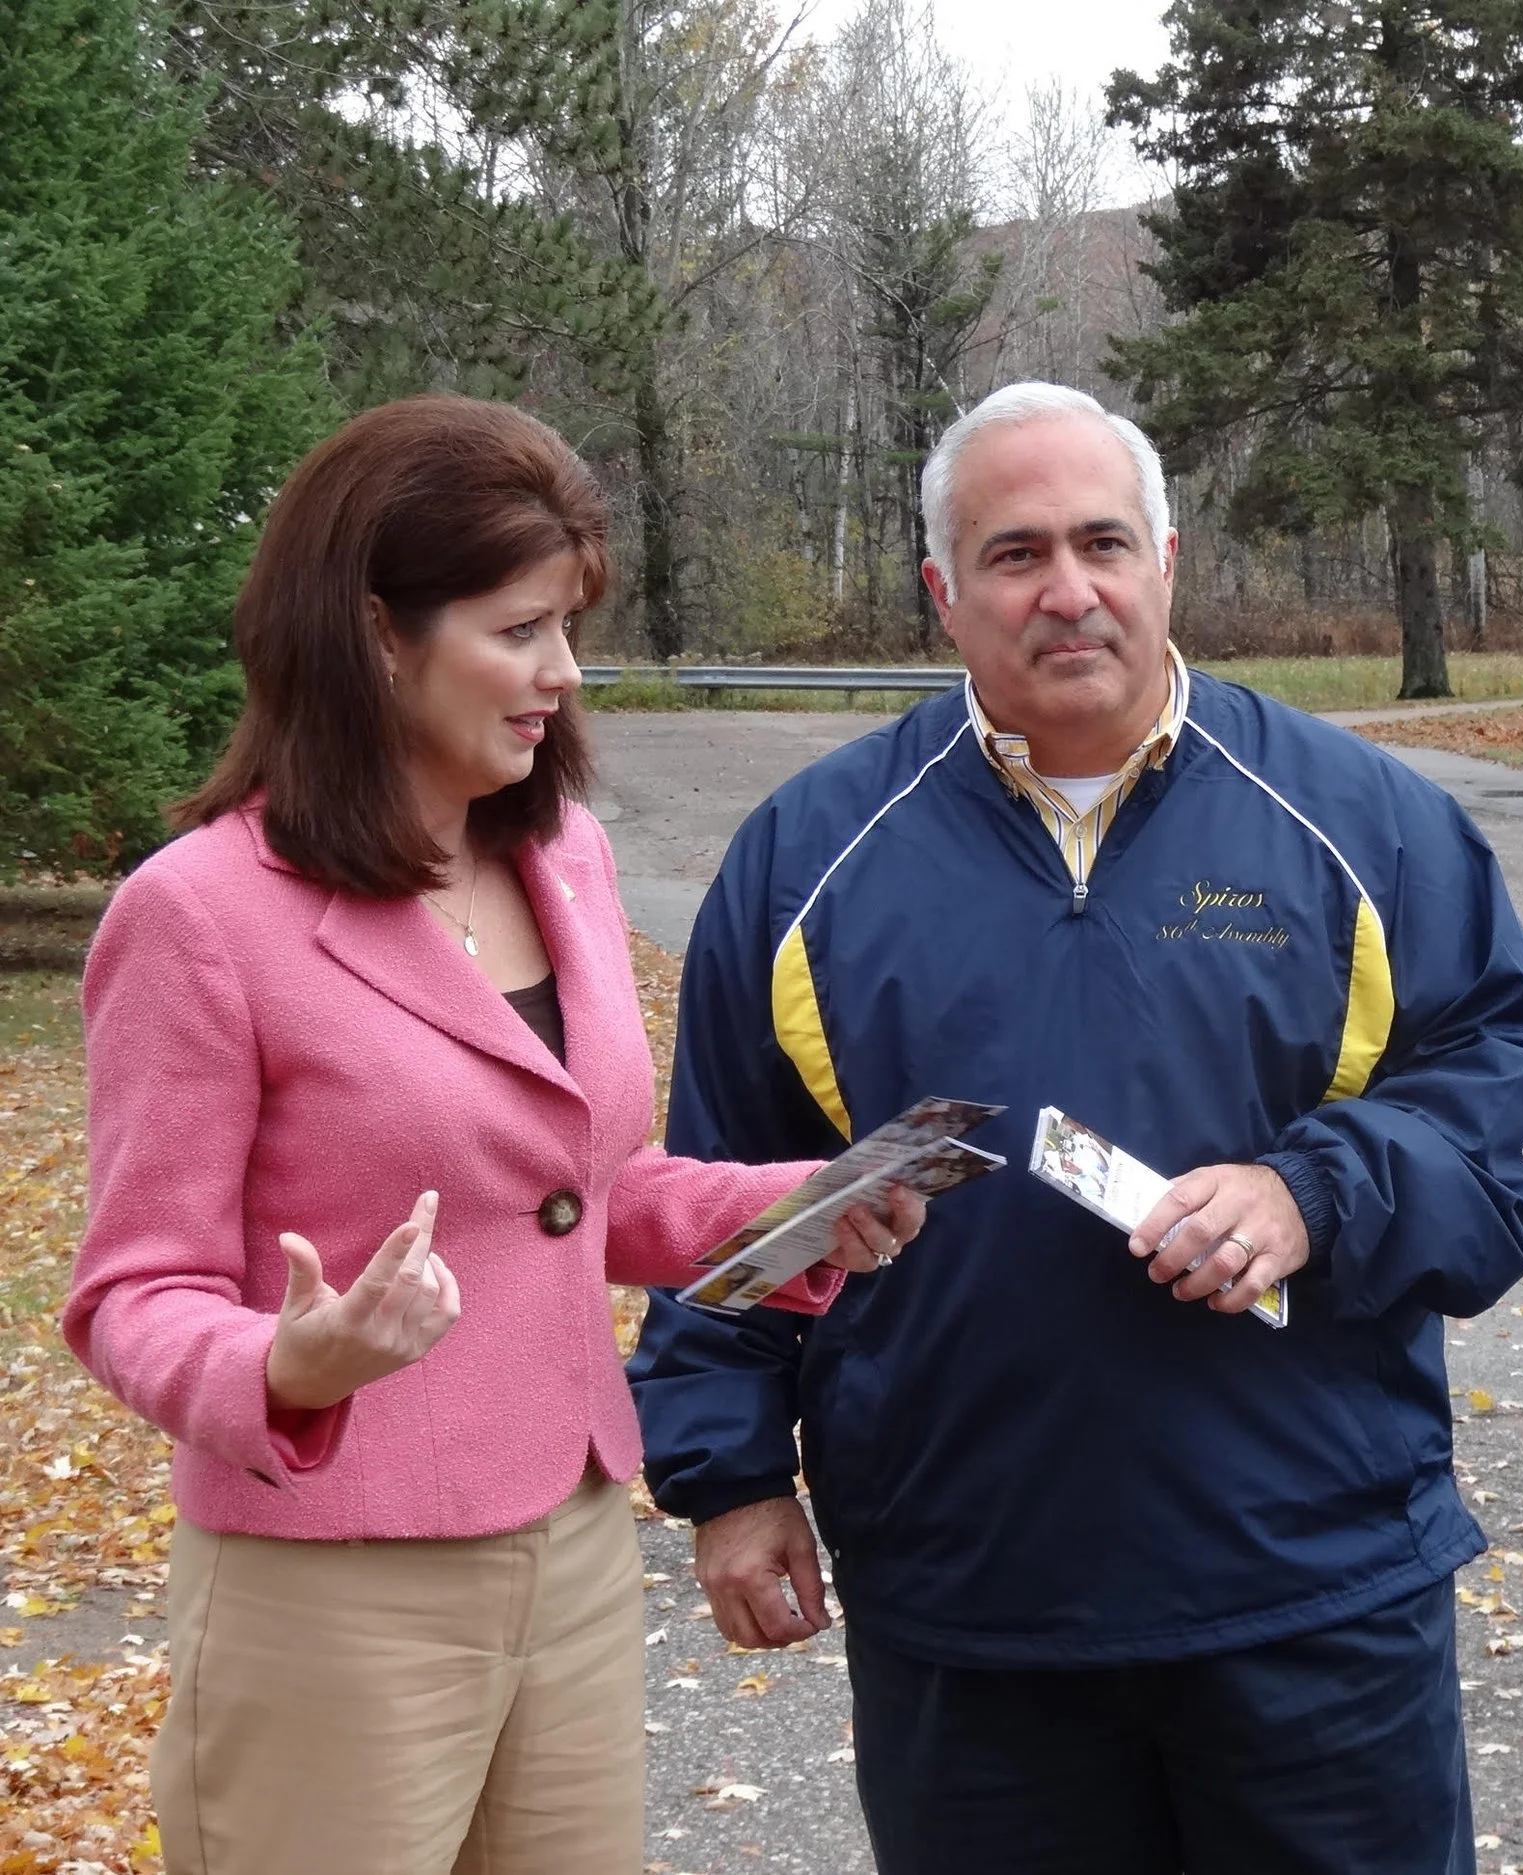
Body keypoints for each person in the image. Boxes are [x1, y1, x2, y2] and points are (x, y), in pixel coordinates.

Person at [626, 380, 1523, 1874]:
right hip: (972, 1601)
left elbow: (1495, 1125)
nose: (1068, 591)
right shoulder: (809, 858)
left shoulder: (1365, 824)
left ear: (1169, 562)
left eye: (1102, 542)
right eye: (1014, 555)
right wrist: (729, 1474)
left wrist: (1310, 1190)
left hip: (1313, 1590)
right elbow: (721, 1192)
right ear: (943, 591)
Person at [63, 395, 921, 1875]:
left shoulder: (562, 852)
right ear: (377, 631)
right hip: (330, 1583)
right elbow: (130, 1292)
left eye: (567, 623)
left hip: (576, 1541)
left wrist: (796, 1201)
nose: (562, 672)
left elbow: (579, 1190)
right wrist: (285, 1363)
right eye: (519, 628)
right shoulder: (200, 916)